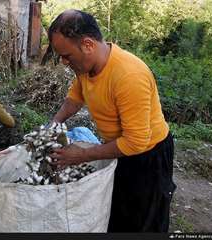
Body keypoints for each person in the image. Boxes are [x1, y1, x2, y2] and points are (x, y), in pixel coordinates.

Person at [46, 10, 176, 232]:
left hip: (148, 156)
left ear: (87, 45)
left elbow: (136, 142)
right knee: (119, 211)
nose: (64, 62)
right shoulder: (85, 68)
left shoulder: (128, 76)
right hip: (118, 148)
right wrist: (54, 123)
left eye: (66, 56)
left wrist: (82, 155)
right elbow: (75, 99)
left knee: (145, 220)